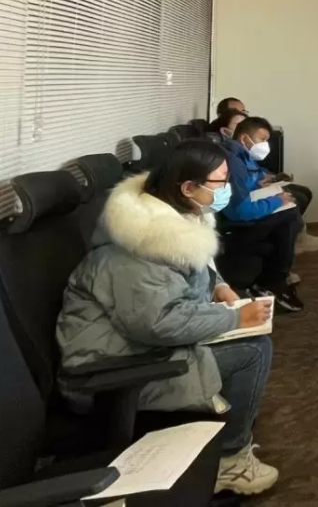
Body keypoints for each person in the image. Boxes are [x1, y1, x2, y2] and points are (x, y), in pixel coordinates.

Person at [56, 140, 279, 496]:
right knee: (253, 351)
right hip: (114, 368)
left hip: (136, 343)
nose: (228, 188)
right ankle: (229, 461)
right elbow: (160, 323)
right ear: (188, 187)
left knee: (251, 340)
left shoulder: (166, 217)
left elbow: (189, 270)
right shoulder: (138, 246)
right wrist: (235, 320)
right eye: (221, 181)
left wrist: (219, 286)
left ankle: (224, 434)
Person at [218, 117, 309, 311]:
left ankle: (281, 268)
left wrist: (265, 182)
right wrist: (277, 201)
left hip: (237, 214)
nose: (265, 145)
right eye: (262, 139)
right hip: (230, 225)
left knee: (291, 208)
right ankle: (275, 281)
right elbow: (240, 211)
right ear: (244, 138)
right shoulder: (233, 161)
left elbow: (252, 177)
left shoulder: (240, 154)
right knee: (288, 214)